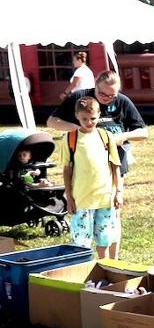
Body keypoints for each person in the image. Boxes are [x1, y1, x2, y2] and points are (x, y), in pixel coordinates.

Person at [48, 70, 148, 259]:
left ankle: (113, 261)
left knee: (112, 217)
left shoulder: (122, 102)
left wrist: (121, 137)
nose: (108, 98)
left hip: (112, 166)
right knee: (83, 223)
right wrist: (80, 128)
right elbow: (52, 121)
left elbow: (143, 132)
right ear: (95, 85)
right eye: (103, 94)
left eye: (112, 95)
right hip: (83, 171)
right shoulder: (80, 98)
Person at [60, 97, 122, 258]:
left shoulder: (106, 136)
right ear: (76, 116)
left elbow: (115, 166)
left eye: (93, 118)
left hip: (104, 198)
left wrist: (118, 192)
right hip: (81, 200)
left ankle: (106, 271)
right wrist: (69, 198)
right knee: (81, 245)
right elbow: (67, 170)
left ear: (99, 115)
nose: (89, 122)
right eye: (84, 119)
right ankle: (84, 273)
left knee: (105, 241)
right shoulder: (69, 139)